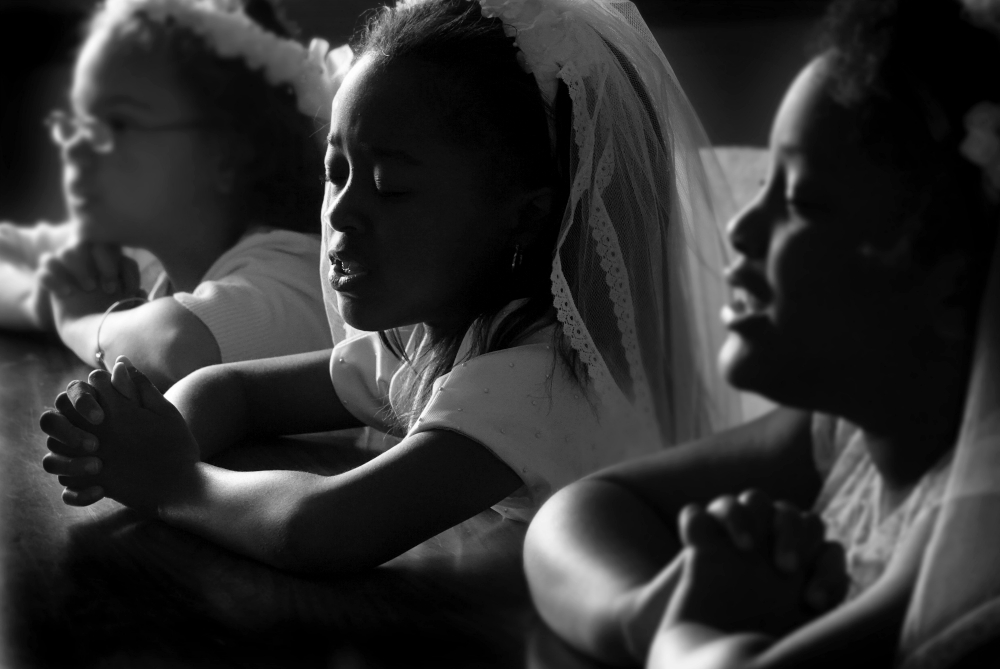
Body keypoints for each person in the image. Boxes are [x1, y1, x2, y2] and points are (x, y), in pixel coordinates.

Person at [36, 0, 742, 574]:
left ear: (523, 212)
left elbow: (326, 527)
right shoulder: (417, 341)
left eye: (389, 185)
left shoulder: (540, 376)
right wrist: (153, 433)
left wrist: (173, 480)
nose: (341, 212)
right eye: (336, 170)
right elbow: (233, 389)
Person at [522, 0, 1000, 666]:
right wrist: (646, 609)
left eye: (798, 201)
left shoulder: (976, 528)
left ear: (950, 278)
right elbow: (578, 510)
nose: (741, 228)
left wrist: (679, 637)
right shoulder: (841, 437)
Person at [0, 0, 346, 389]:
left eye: (118, 121)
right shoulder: (150, 261)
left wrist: (82, 322)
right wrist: (58, 292)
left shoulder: (299, 272)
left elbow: (177, 347)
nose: (77, 147)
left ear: (225, 154)